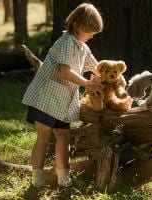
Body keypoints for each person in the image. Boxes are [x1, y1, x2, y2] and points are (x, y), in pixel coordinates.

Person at [22, 3, 104, 188]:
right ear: (79, 27)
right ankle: (37, 181)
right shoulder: (66, 42)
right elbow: (65, 72)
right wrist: (87, 83)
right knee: (44, 136)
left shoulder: (82, 46)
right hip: (46, 96)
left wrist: (106, 76)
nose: (92, 35)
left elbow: (97, 67)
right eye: (90, 31)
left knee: (64, 137)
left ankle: (64, 179)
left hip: (61, 101)